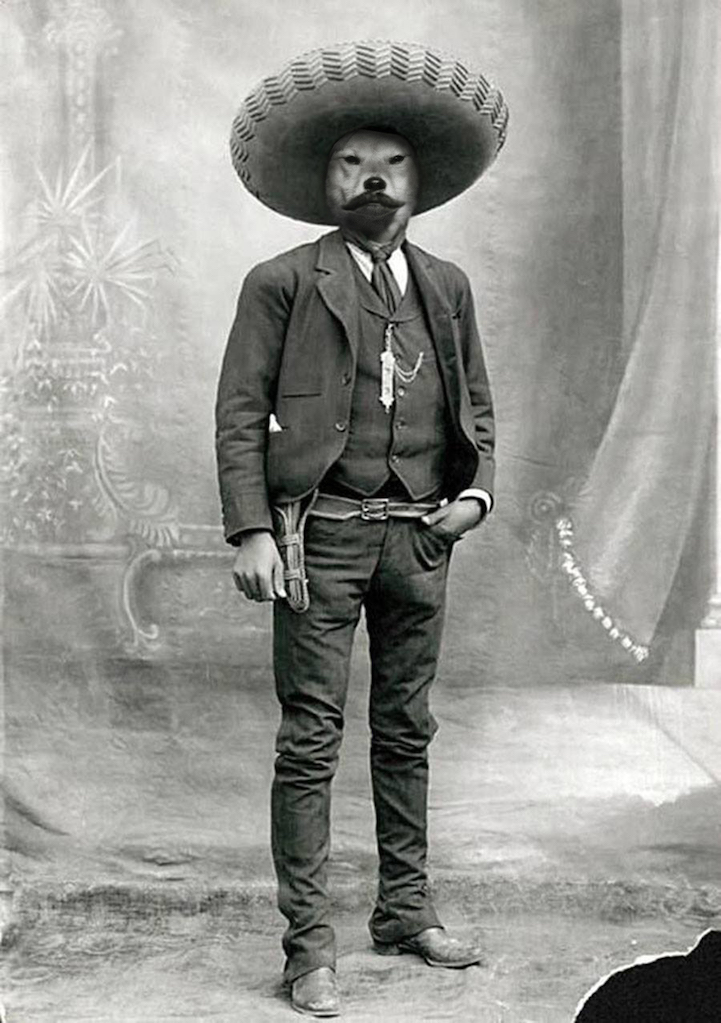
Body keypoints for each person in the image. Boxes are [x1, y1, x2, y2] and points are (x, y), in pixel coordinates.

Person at [216, 40, 508, 1017]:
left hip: (420, 539)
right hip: (320, 539)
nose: (372, 176)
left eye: (390, 161)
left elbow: (476, 406)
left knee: (406, 730)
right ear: (325, 182)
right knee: (309, 741)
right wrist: (252, 531)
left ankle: (404, 910)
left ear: (420, 180)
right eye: (351, 162)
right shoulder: (281, 281)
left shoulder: (447, 286)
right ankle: (309, 949)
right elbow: (238, 413)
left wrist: (476, 496)